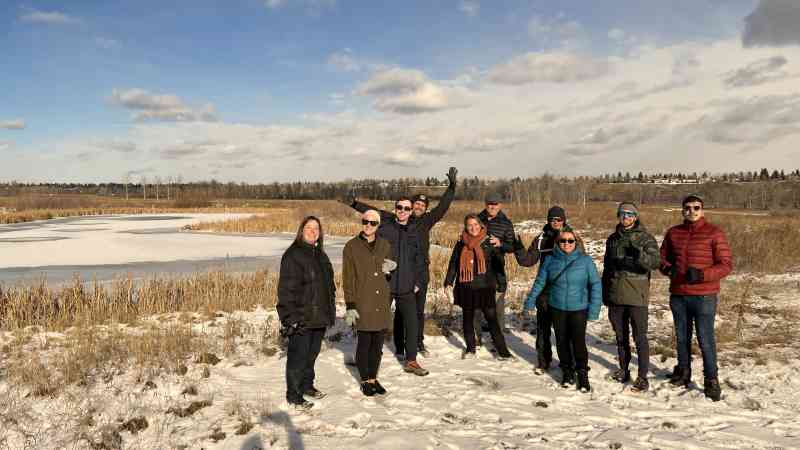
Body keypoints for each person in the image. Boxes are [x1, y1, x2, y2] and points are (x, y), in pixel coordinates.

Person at [346, 167, 458, 356]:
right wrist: (354, 203)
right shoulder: (397, 218)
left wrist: (452, 188)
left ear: (425, 208)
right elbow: (374, 212)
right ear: (410, 207)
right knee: (398, 312)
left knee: (417, 312)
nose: (418, 207)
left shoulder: (426, 221)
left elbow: (443, 207)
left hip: (420, 272)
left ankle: (418, 343)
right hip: (399, 272)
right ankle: (398, 345)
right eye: (416, 204)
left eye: (422, 205)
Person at [660, 194, 732, 402]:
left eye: (696, 207)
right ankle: (683, 372)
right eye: (687, 208)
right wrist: (668, 269)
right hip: (679, 295)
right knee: (682, 337)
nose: (691, 211)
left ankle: (711, 380)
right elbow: (662, 258)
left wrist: (702, 275)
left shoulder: (714, 233)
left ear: (702, 210)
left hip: (704, 296)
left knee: (705, 339)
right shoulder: (674, 233)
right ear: (682, 210)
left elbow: (726, 264)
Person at [523, 226, 602, 393]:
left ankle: (582, 374)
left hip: (578, 309)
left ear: (576, 242)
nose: (566, 243)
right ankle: (567, 372)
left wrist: (594, 309)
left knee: (578, 342)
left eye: (570, 240)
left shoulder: (585, 261)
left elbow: (595, 284)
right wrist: (530, 301)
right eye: (563, 241)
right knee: (561, 341)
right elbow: (540, 282)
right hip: (557, 308)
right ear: (557, 243)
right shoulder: (550, 260)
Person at [277, 216, 336, 411]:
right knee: (298, 358)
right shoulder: (293, 255)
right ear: (301, 230)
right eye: (309, 227)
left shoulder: (320, 255)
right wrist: (290, 318)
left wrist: (330, 311)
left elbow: (329, 287)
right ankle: (294, 395)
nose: (313, 231)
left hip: (319, 316)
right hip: (301, 317)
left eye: (316, 228)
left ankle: (306, 385)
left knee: (311, 355)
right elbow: (286, 290)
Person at [601, 202, 660, 392]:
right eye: (622, 214)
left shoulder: (645, 238)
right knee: (620, 336)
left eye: (629, 214)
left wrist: (638, 256)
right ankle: (624, 369)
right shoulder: (612, 239)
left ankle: (642, 377)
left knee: (640, 337)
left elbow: (655, 263)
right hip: (616, 294)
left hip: (637, 295)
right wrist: (605, 291)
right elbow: (607, 267)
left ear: (635, 217)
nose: (625, 217)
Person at [444, 214, 514, 360]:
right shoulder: (461, 243)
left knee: (492, 320)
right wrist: (448, 282)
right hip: (466, 287)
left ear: (481, 225)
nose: (473, 228)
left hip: (485, 287)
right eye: (470, 225)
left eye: (475, 224)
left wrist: (502, 284)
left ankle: (503, 352)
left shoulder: (489, 241)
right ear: (466, 227)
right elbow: (454, 263)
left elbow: (499, 265)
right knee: (467, 319)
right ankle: (470, 349)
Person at [343, 210, 395, 397]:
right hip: (363, 301)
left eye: (373, 223)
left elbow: (388, 271)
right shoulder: (351, 246)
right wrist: (350, 305)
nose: (368, 225)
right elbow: (348, 278)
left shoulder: (385, 244)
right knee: (364, 342)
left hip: (381, 300)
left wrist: (390, 270)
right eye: (365, 221)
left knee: (378, 344)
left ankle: (373, 378)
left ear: (378, 225)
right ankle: (365, 379)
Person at [513, 205, 571, 374]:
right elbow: (527, 261)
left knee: (564, 332)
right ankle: (543, 362)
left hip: (565, 291)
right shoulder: (541, 238)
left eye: (559, 219)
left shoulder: (570, 237)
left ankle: (568, 364)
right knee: (543, 330)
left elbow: (580, 262)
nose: (555, 222)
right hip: (545, 290)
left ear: (564, 220)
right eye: (552, 219)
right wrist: (518, 248)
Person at [475, 193, 516, 336]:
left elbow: (512, 246)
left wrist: (501, 243)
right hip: (478, 269)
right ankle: (476, 337)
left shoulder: (506, 223)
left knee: (498, 303)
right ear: (485, 204)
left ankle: (498, 337)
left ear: (500, 205)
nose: (492, 207)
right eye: (489, 204)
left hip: (497, 269)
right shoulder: (477, 220)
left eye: (495, 204)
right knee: (476, 305)